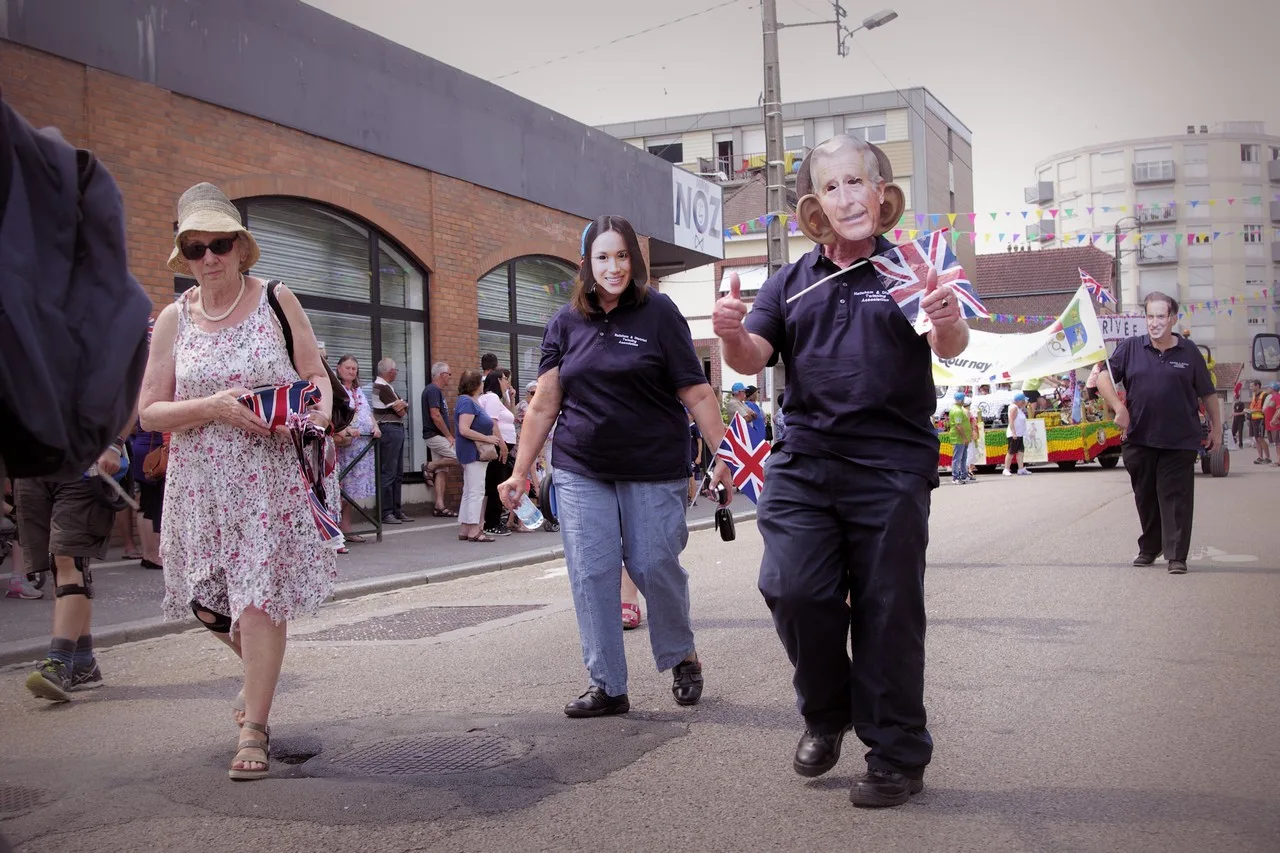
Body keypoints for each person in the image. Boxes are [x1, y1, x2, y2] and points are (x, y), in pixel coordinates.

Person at [712, 133, 966, 807]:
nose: (847, 196)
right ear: (815, 205)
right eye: (832, 186)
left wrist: (944, 317)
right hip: (806, 460)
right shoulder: (791, 281)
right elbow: (752, 354)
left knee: (889, 610)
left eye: (858, 182)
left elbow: (951, 342)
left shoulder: (912, 267)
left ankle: (897, 755)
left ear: (881, 195)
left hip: (892, 463)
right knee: (791, 587)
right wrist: (730, 332)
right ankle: (828, 713)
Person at [139, 181, 339, 779]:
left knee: (256, 601)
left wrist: (317, 416)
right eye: (195, 248)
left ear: (240, 247)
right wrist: (213, 407)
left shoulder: (277, 298)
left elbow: (315, 376)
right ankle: (259, 674)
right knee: (206, 603)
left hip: (266, 479)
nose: (209, 257)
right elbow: (150, 412)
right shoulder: (173, 319)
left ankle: (255, 726)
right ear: (184, 256)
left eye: (220, 244)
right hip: (200, 486)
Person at [499, 214, 733, 719]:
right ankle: (607, 683)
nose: (613, 267)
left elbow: (696, 392)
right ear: (586, 263)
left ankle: (681, 653)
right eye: (602, 257)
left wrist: (725, 456)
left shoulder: (659, 312)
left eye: (622, 256)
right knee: (592, 572)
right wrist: (519, 471)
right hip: (581, 466)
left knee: (652, 563)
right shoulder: (565, 322)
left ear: (635, 260)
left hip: (653, 464)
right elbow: (543, 405)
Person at [1096, 291, 1220, 575]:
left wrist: (1216, 427)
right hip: (1139, 437)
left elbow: (1208, 393)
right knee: (1146, 497)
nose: (1154, 322)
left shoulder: (1189, 352)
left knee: (1176, 497)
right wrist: (1119, 407)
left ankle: (1176, 555)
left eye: (1160, 316)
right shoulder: (1130, 348)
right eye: (1150, 316)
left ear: (1173, 319)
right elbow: (1102, 377)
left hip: (1179, 439)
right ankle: (1151, 547)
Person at [15, 434, 130, 699]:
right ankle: (83, 663)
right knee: (60, 566)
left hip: (83, 463)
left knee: (68, 559)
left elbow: (130, 406)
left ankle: (59, 661)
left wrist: (114, 445)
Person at [333, 355, 381, 545]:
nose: (351, 372)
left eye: (354, 369)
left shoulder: (358, 390)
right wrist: (346, 430)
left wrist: (375, 427)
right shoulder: (336, 390)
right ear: (338, 368)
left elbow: (367, 413)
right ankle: (335, 529)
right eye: (348, 368)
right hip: (344, 447)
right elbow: (333, 416)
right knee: (341, 489)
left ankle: (346, 527)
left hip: (361, 446)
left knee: (351, 491)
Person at [454, 369, 506, 542]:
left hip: (471, 451)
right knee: (476, 491)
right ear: (476, 384)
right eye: (481, 382)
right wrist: (487, 438)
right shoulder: (467, 403)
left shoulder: (468, 401)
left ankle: (465, 528)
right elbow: (464, 429)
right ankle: (474, 530)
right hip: (474, 452)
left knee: (469, 490)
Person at [373, 357, 411, 524]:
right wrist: (402, 405)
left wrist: (403, 405)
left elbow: (404, 407)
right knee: (389, 471)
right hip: (389, 428)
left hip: (394, 429)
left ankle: (396, 510)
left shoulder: (387, 387)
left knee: (397, 472)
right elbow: (401, 411)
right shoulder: (382, 387)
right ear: (390, 372)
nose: (396, 373)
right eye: (395, 370)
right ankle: (386, 512)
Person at [479, 371, 518, 537]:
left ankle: (492, 520)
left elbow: (511, 416)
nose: (507, 383)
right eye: (505, 380)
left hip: (503, 445)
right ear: (497, 380)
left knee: (498, 481)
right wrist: (502, 445)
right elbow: (493, 423)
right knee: (497, 483)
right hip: (499, 446)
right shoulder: (492, 397)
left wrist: (511, 398)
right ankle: (492, 523)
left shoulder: (497, 399)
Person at [421, 362, 459, 517]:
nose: (449, 377)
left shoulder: (436, 391)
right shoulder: (433, 390)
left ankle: (439, 506)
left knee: (442, 470)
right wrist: (449, 435)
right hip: (434, 435)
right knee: (459, 457)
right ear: (442, 375)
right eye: (449, 374)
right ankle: (429, 466)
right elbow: (435, 415)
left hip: (437, 435)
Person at [128, 421, 166, 569]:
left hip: (141, 450)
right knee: (155, 505)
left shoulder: (135, 406)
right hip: (156, 453)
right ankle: (154, 555)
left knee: (145, 503)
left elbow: (132, 427)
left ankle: (147, 554)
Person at [947, 390, 972, 485]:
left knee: (963, 457)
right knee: (957, 458)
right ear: (961, 400)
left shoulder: (957, 409)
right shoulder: (957, 411)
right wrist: (964, 437)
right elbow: (958, 426)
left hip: (961, 438)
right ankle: (955, 477)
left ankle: (964, 475)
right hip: (958, 438)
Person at [1247, 379, 1272, 464]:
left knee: (1260, 438)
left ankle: (1268, 457)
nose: (1250, 388)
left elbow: (1266, 409)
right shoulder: (1254, 395)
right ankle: (1260, 457)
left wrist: (1254, 410)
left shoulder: (1265, 395)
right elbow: (1252, 407)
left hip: (1261, 419)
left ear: (1257, 386)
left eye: (1252, 386)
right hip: (1253, 419)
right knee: (1256, 438)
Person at [1004, 393, 1029, 476]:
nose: (1024, 402)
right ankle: (1006, 469)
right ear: (1018, 401)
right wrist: (1013, 432)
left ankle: (1021, 469)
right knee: (1011, 452)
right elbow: (1011, 420)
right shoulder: (1014, 408)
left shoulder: (1019, 408)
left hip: (1019, 433)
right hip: (1014, 434)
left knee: (1020, 452)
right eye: (1023, 401)